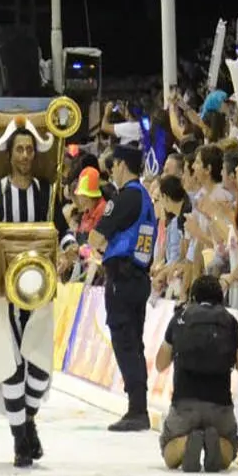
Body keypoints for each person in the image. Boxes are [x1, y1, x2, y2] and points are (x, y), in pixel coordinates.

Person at [0, 115, 76, 466]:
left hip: (38, 293)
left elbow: (63, 230)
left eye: (29, 149)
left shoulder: (47, 191)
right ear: (9, 155)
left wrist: (70, 249)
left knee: (37, 371)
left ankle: (28, 421)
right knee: (11, 367)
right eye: (18, 149)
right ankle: (20, 440)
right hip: (3, 296)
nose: (24, 155)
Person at [88, 144, 158, 431]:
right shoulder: (145, 199)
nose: (112, 172)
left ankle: (137, 409)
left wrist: (104, 248)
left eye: (113, 166)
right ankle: (138, 406)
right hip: (140, 275)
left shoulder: (125, 197)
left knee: (124, 341)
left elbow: (94, 237)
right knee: (134, 340)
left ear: (122, 165)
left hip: (123, 275)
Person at [156, 276, 238, 472]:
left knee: (169, 449)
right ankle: (216, 444)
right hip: (220, 405)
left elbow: (160, 364)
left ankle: (187, 442)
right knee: (229, 445)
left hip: (185, 404)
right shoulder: (230, 322)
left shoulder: (180, 318)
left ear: (193, 298)